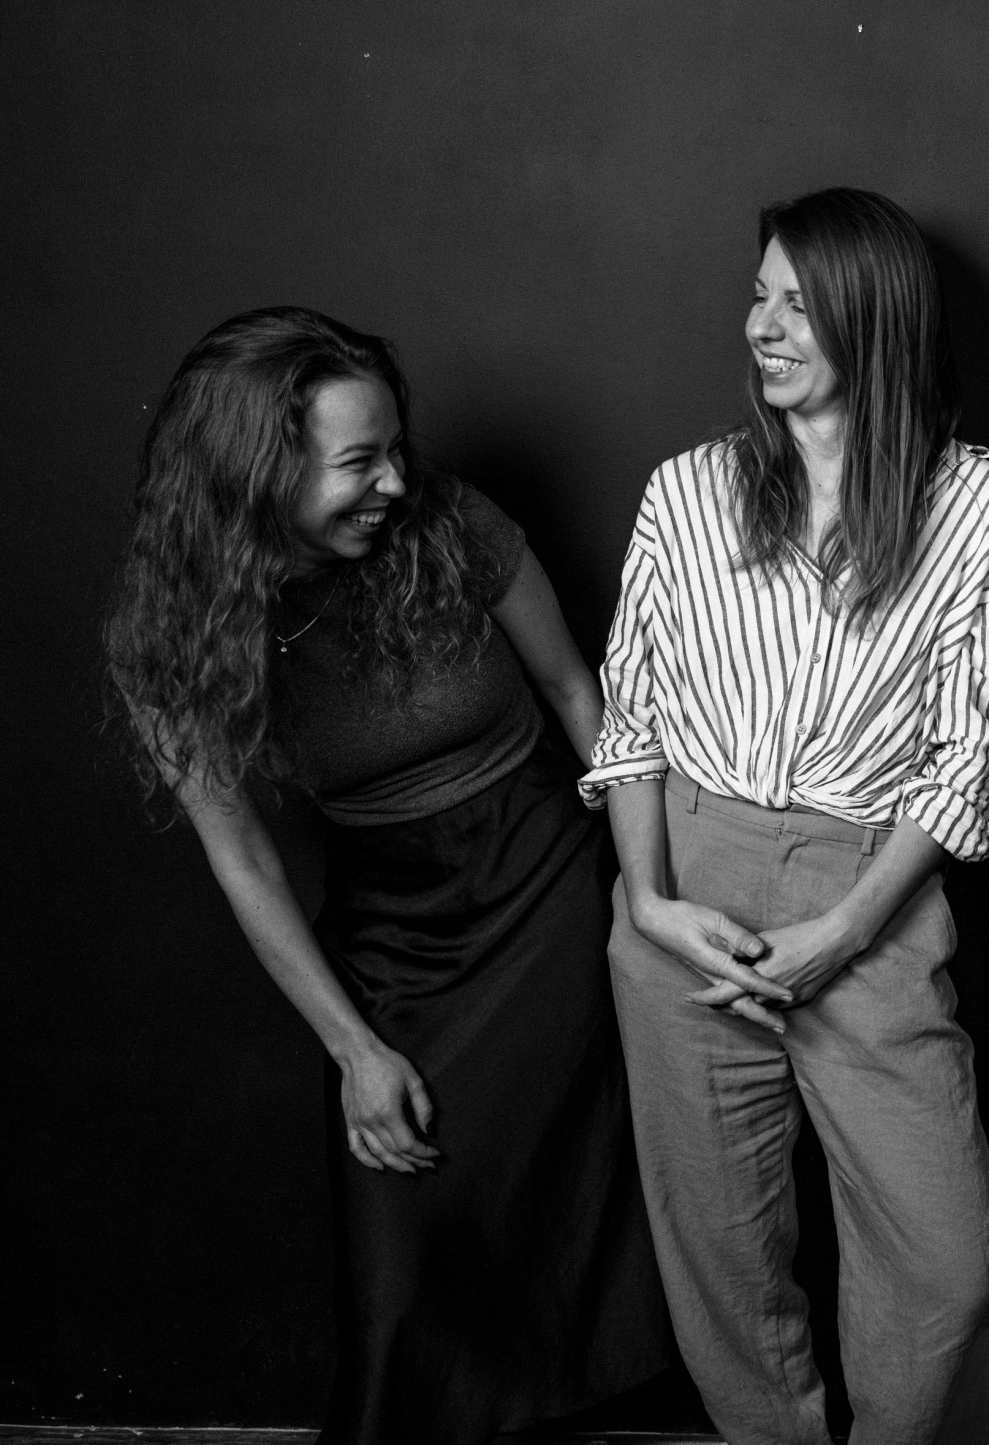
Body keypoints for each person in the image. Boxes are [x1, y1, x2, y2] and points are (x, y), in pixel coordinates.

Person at [102, 307, 670, 1445]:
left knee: (586, 1216)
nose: (396, 482)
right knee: (402, 1270)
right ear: (258, 472)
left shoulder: (449, 520)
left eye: (395, 448)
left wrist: (645, 891)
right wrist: (355, 1049)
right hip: (395, 927)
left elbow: (578, 694)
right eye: (359, 461)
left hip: (551, 881)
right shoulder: (172, 633)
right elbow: (243, 859)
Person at [587, 188, 989, 1445]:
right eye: (758, 296)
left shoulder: (968, 501)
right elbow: (632, 722)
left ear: (872, 318)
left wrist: (844, 930)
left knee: (948, 1266)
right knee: (722, 1257)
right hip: (685, 885)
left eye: (795, 303)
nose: (760, 327)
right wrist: (650, 901)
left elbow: (968, 753)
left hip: (869, 893)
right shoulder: (687, 490)